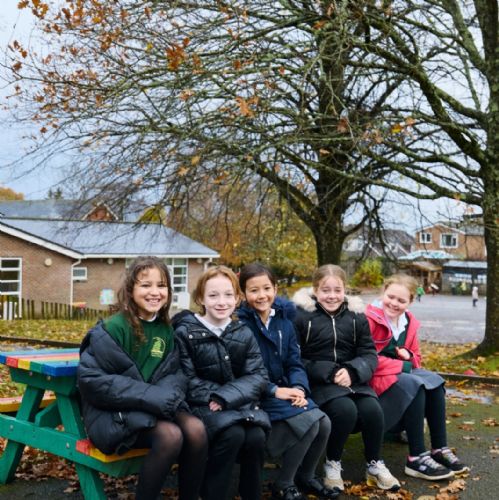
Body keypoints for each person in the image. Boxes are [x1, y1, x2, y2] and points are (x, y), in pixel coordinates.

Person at [77, 256, 208, 500]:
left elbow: (176, 375)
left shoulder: (166, 330)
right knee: (170, 436)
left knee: (196, 429)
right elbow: (92, 381)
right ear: (130, 290)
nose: (155, 292)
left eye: (161, 285)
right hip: (113, 416)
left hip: (151, 409)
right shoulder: (113, 328)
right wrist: (153, 397)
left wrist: (160, 398)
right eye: (146, 285)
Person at [292, 264, 400, 493]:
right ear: (315, 290)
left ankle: (374, 463)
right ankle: (332, 463)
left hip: (353, 380)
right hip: (320, 382)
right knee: (345, 410)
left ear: (345, 290)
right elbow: (295, 358)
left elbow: (369, 353)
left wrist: (353, 371)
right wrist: (328, 372)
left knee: (373, 410)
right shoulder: (302, 317)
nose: (332, 296)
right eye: (325, 290)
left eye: (337, 290)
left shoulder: (356, 317)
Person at [238, 263, 338, 500]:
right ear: (243, 293)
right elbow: (243, 372)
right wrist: (274, 390)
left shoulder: (284, 321)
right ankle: (284, 483)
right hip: (258, 394)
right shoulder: (241, 326)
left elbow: (294, 362)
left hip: (285, 389)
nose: (261, 295)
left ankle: (306, 476)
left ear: (275, 288)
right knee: (310, 423)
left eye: (266, 288)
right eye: (253, 290)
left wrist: (299, 387)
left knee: (324, 423)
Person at [173, 265, 271, 500]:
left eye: (228, 295)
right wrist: (218, 398)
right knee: (233, 435)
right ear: (201, 298)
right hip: (202, 405)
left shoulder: (243, 332)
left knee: (256, 437)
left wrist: (226, 397)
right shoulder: (185, 333)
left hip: (235, 404)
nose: (221, 302)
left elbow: (258, 376)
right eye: (213, 295)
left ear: (237, 298)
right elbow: (186, 379)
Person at [366, 273, 469, 481]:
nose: (394, 303)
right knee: (415, 383)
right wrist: (402, 364)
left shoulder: (409, 322)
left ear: (410, 302)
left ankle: (439, 448)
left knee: (435, 381)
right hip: (375, 378)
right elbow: (365, 358)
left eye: (401, 300)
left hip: (400, 375)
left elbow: (417, 359)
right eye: (390, 297)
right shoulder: (368, 319)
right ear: (383, 293)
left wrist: (409, 356)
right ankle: (416, 457)